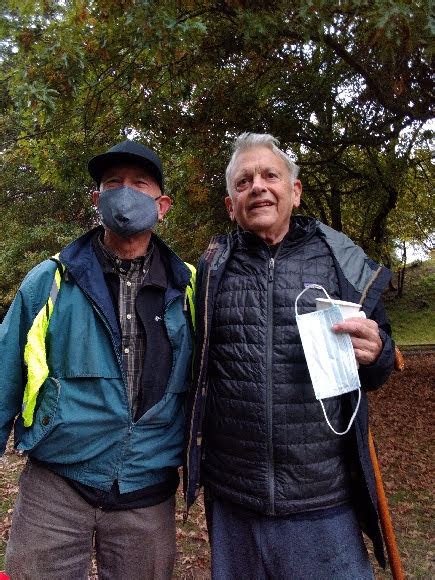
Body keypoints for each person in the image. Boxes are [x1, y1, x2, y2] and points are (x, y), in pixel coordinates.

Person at [185, 132, 395, 579]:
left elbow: (380, 359)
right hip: (234, 498)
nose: (257, 186)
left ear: (294, 192)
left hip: (323, 498)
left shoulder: (341, 259)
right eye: (243, 182)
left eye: (269, 176)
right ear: (230, 205)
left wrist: (377, 351)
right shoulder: (211, 267)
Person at [0, 139, 194, 579]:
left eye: (139, 184)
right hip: (56, 485)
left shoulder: (191, 290)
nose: (125, 193)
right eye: (113, 184)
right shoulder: (49, 281)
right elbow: (4, 374)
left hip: (147, 489)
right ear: (96, 200)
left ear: (162, 205)